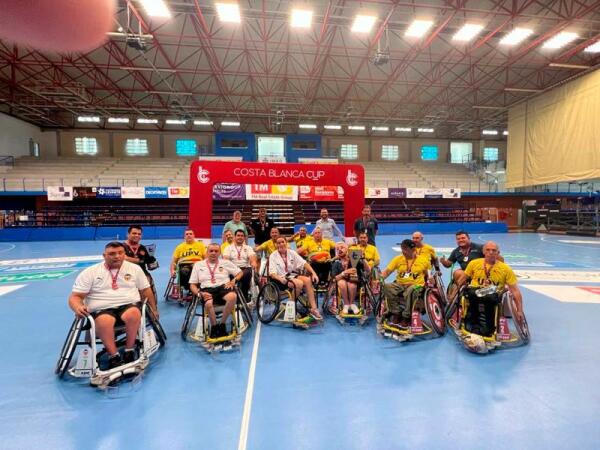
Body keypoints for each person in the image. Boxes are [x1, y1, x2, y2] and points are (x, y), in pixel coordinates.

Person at [68, 242, 158, 369]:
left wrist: (153, 309)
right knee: (104, 321)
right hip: (101, 309)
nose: (117, 256)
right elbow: (75, 296)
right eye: (112, 254)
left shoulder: (135, 269)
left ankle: (129, 350)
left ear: (124, 254)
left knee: (134, 313)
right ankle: (113, 355)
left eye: (120, 253)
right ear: (104, 255)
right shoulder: (90, 272)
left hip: (128, 305)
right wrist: (77, 307)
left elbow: (145, 290)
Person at [463, 241, 524, 336]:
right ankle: (471, 322)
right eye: (488, 250)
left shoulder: (506, 269)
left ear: (498, 253)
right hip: (474, 291)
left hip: (493, 294)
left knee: (489, 296)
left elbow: (515, 291)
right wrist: (453, 295)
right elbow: (462, 280)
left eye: (494, 250)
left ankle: (487, 327)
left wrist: (519, 310)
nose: (490, 252)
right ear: (483, 252)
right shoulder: (474, 263)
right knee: (469, 293)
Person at [189, 243, 244, 338]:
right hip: (206, 289)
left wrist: (233, 281)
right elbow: (192, 285)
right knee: (209, 304)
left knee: (233, 296)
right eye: (211, 251)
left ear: (220, 253)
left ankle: (222, 324)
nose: (213, 253)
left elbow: (240, 272)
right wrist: (199, 294)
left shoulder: (225, 263)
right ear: (207, 252)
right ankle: (214, 327)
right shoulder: (198, 265)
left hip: (223, 288)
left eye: (216, 251)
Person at [268, 237, 322, 320]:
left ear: (286, 243)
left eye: (282, 242)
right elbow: (272, 273)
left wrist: (314, 273)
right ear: (276, 245)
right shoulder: (273, 256)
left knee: (307, 280)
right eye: (278, 243)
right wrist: (280, 279)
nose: (281, 244)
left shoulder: (292, 252)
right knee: (299, 283)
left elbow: (304, 263)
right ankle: (291, 307)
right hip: (279, 278)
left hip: (290, 275)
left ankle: (314, 309)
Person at [380, 239, 430, 328]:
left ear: (413, 249)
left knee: (411, 290)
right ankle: (396, 312)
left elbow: (428, 275)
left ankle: (406, 316)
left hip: (417, 285)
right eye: (402, 249)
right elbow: (387, 272)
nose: (403, 252)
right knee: (387, 286)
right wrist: (379, 279)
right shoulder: (398, 259)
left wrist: (431, 280)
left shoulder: (423, 260)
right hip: (400, 284)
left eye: (406, 249)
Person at [439, 231, 485, 295]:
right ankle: (457, 297)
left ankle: (453, 296)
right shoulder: (456, 251)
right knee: (458, 273)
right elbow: (449, 264)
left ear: (468, 238)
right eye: (458, 239)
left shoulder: (480, 247)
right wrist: (443, 261)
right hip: (465, 274)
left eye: (463, 238)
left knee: (459, 273)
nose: (461, 240)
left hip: (480, 274)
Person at [331, 242, 370, 315]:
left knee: (351, 284)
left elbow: (368, 270)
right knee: (341, 282)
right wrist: (344, 273)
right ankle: (346, 304)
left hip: (356, 283)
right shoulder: (335, 262)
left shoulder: (354, 258)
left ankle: (352, 304)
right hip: (341, 285)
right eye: (337, 249)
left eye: (342, 247)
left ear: (347, 250)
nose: (339, 250)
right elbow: (334, 279)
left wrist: (363, 259)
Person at [222, 229, 259, 301]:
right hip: (233, 270)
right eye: (238, 235)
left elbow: (252, 256)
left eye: (242, 236)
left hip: (245, 269)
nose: (240, 237)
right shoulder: (228, 248)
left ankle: (243, 295)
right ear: (234, 237)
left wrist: (254, 262)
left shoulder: (248, 247)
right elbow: (226, 260)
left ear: (244, 238)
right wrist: (234, 270)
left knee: (249, 272)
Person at [170, 229, 207, 295]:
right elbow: (173, 261)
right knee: (185, 270)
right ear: (184, 237)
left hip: (198, 265)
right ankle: (189, 288)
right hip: (184, 265)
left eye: (190, 234)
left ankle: (193, 288)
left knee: (195, 269)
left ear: (194, 236)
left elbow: (206, 258)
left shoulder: (201, 245)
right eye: (187, 234)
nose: (189, 235)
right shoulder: (179, 247)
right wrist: (172, 270)